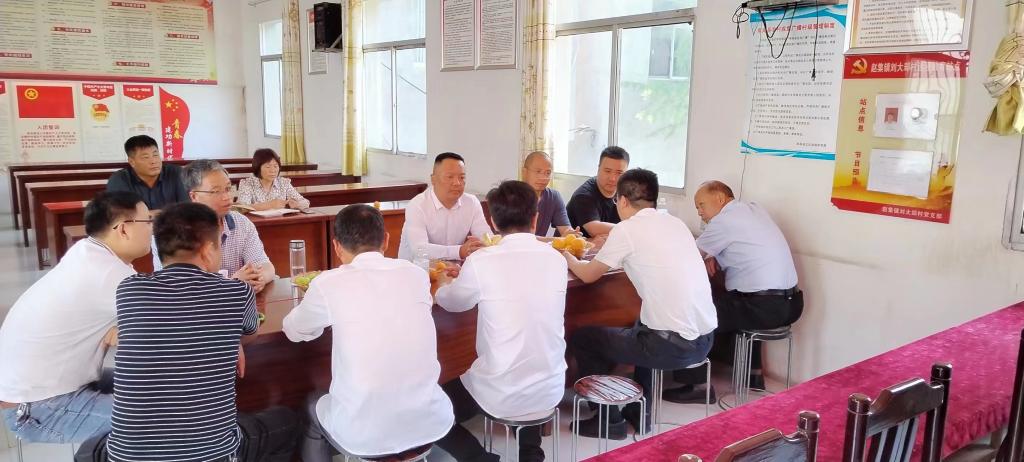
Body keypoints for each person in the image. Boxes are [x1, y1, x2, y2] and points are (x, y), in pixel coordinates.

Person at [78, 202, 299, 462]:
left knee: (88, 450)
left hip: (128, 456)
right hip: (214, 454)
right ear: (207, 250)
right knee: (286, 420)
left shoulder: (130, 290)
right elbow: (249, 333)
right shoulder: (236, 292)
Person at [283, 204, 454, 461]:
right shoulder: (416, 275)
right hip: (429, 421)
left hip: (365, 434)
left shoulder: (328, 283)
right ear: (386, 240)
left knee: (311, 404)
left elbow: (293, 330)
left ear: (336, 246)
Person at [563, 169, 716, 438]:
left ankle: (608, 421)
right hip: (705, 341)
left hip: (671, 346)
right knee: (643, 322)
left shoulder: (627, 230)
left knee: (583, 338)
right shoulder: (676, 224)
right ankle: (640, 412)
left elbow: (588, 275)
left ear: (622, 200)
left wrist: (568, 257)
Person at [0, 191, 152, 444]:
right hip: (38, 407)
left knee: (155, 385)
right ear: (124, 229)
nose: (152, 229)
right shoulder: (108, 273)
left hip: (48, 388)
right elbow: (172, 321)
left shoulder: (87, 251)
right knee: (160, 419)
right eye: (147, 221)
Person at [434, 180, 568, 462]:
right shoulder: (556, 259)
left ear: (493, 222)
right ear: (535, 219)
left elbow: (453, 303)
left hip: (502, 391)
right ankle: (531, 453)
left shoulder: (483, 261)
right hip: (551, 387)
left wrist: (443, 285)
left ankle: (479, 458)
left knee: (428, 411)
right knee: (529, 354)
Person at [665, 180, 802, 403]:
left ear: (720, 199)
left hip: (764, 307)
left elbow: (689, 256)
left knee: (694, 313)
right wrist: (714, 255)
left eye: (701, 205)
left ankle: (697, 386)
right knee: (735, 300)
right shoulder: (754, 210)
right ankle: (753, 375)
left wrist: (708, 255)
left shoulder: (724, 221)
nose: (699, 212)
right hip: (791, 304)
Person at [152, 159, 276, 292]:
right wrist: (233, 283)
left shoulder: (242, 223)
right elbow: (170, 285)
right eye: (216, 191)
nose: (227, 197)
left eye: (228, 189)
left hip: (238, 300)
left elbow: (265, 265)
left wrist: (259, 278)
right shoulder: (170, 231)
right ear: (194, 196)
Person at [397, 152, 492, 261]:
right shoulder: (417, 205)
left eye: (462, 177)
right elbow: (419, 249)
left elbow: (486, 237)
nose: (457, 183)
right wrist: (459, 251)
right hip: (417, 268)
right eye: (449, 177)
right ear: (433, 179)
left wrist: (491, 244)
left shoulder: (471, 203)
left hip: (454, 269)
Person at [106, 135, 189, 210]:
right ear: (132, 162)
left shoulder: (176, 173)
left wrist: (149, 214)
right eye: (146, 157)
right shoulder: (119, 179)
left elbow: (186, 208)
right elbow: (121, 215)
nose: (153, 161)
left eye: (155, 155)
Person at [566, 146, 629, 238]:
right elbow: (594, 229)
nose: (612, 178)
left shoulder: (626, 191)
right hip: (570, 246)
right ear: (598, 169)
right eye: (607, 171)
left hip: (606, 245)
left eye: (619, 173)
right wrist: (630, 229)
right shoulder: (583, 195)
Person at [521, 151, 579, 238]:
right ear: (524, 172)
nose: (543, 177)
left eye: (547, 173)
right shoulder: (511, 196)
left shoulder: (553, 197)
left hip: (540, 246)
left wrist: (572, 235)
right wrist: (552, 241)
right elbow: (516, 238)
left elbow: (566, 229)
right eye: (538, 171)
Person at [237, 148, 310, 211]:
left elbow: (305, 203)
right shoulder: (247, 184)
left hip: (280, 221)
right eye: (268, 167)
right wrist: (270, 205)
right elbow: (241, 208)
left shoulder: (283, 183)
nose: (272, 170)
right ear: (258, 168)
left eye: (275, 166)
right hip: (254, 222)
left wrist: (297, 204)